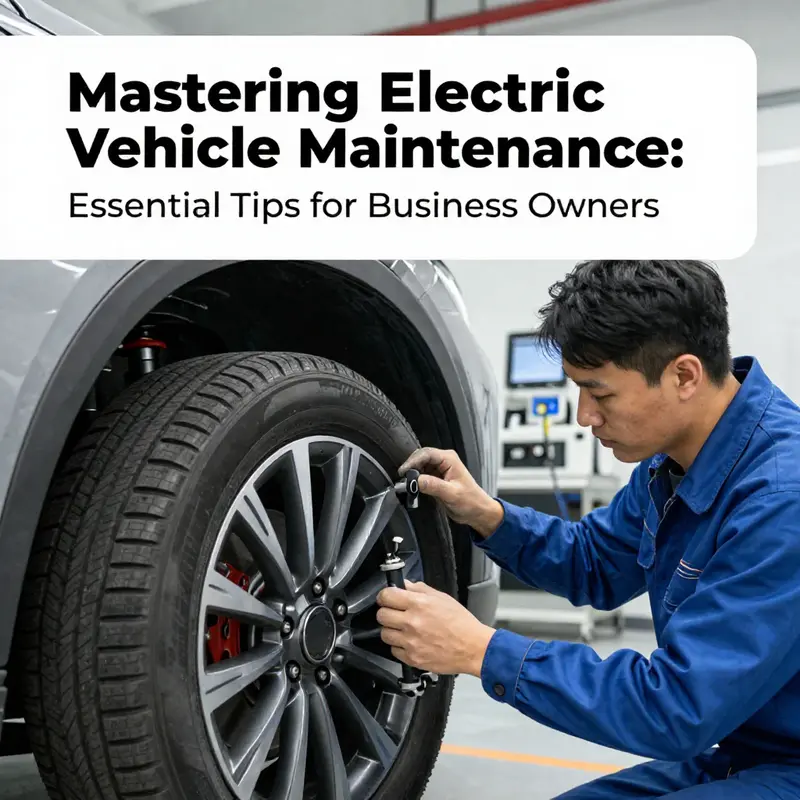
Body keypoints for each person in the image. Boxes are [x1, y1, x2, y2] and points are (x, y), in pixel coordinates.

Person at [376, 259, 800, 798]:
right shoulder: (670, 464)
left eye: (600, 394)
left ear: (684, 376)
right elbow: (595, 562)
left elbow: (677, 707)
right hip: (741, 753)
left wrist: (481, 650)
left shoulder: (782, 500)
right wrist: (489, 515)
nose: (583, 416)